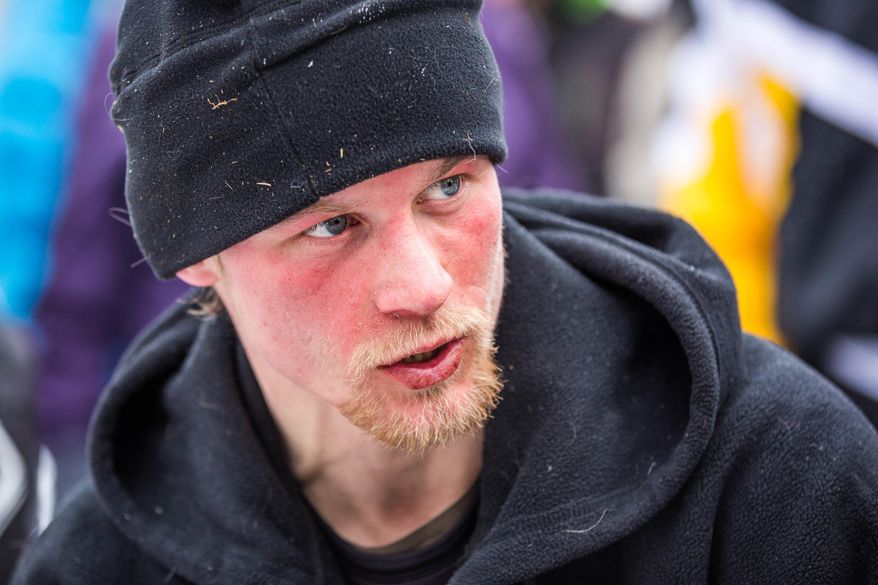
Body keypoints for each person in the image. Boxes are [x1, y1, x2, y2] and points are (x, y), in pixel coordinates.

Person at [11, 1, 878, 583]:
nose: (422, 286)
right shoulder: (100, 559)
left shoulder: (778, 480)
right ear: (198, 259)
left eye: (450, 188)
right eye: (331, 226)